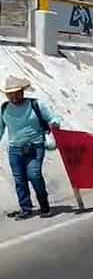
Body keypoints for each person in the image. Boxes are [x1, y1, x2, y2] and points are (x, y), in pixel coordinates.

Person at [0, 76, 61, 220]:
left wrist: (55, 123)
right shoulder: (4, 109)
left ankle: (44, 206)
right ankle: (25, 209)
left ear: (22, 91)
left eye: (17, 92)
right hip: (15, 149)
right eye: (10, 93)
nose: (14, 96)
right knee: (19, 179)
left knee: (34, 175)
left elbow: (53, 118)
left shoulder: (36, 105)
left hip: (35, 147)